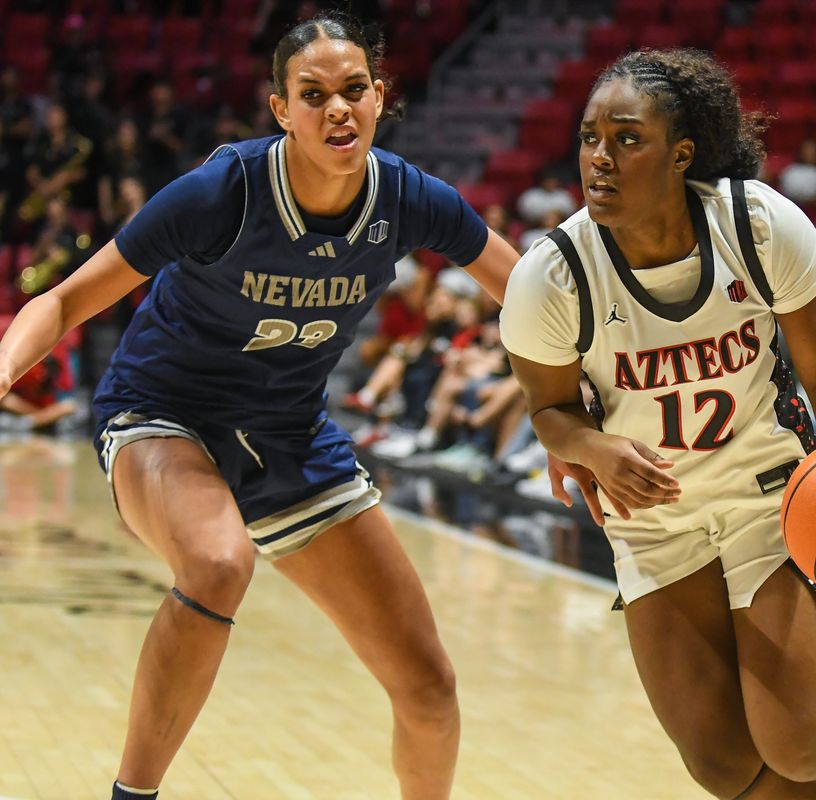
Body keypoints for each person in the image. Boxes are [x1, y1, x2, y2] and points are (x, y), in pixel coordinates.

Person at [0, 15, 519, 800]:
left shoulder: (412, 198)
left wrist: (574, 414)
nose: (337, 110)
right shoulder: (222, 191)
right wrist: (4, 368)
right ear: (281, 110)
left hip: (289, 434)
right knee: (217, 562)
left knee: (429, 690)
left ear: (380, 97)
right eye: (313, 96)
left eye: (353, 92)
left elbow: (535, 302)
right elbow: (66, 299)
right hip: (162, 415)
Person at [499, 49, 816, 799]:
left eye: (627, 139)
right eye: (590, 137)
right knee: (723, 766)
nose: (600, 157)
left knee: (800, 747)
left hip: (774, 501)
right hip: (656, 520)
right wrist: (591, 446)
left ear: (680, 152)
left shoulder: (756, 226)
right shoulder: (552, 276)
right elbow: (548, 412)